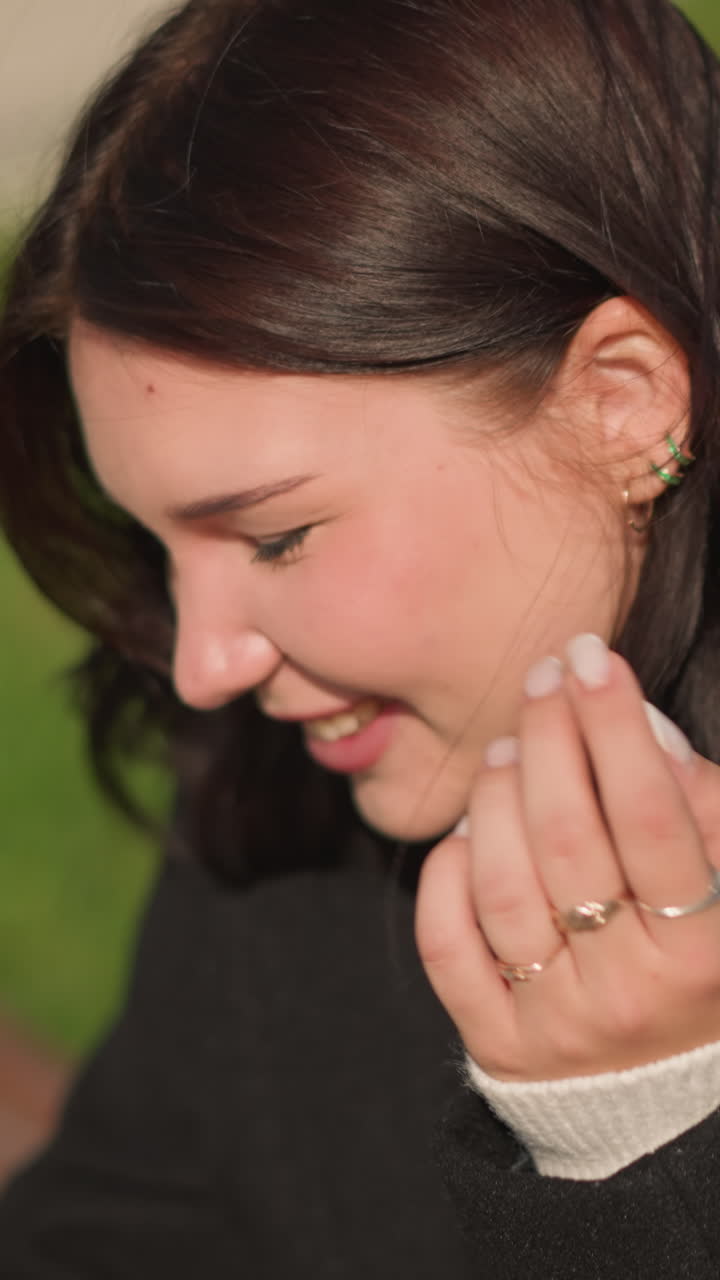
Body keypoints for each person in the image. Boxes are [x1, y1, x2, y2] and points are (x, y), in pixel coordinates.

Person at [2, 0, 720, 1273]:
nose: (203, 663)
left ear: (623, 401)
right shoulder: (298, 808)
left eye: (277, 537)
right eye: (161, 549)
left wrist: (654, 1132)